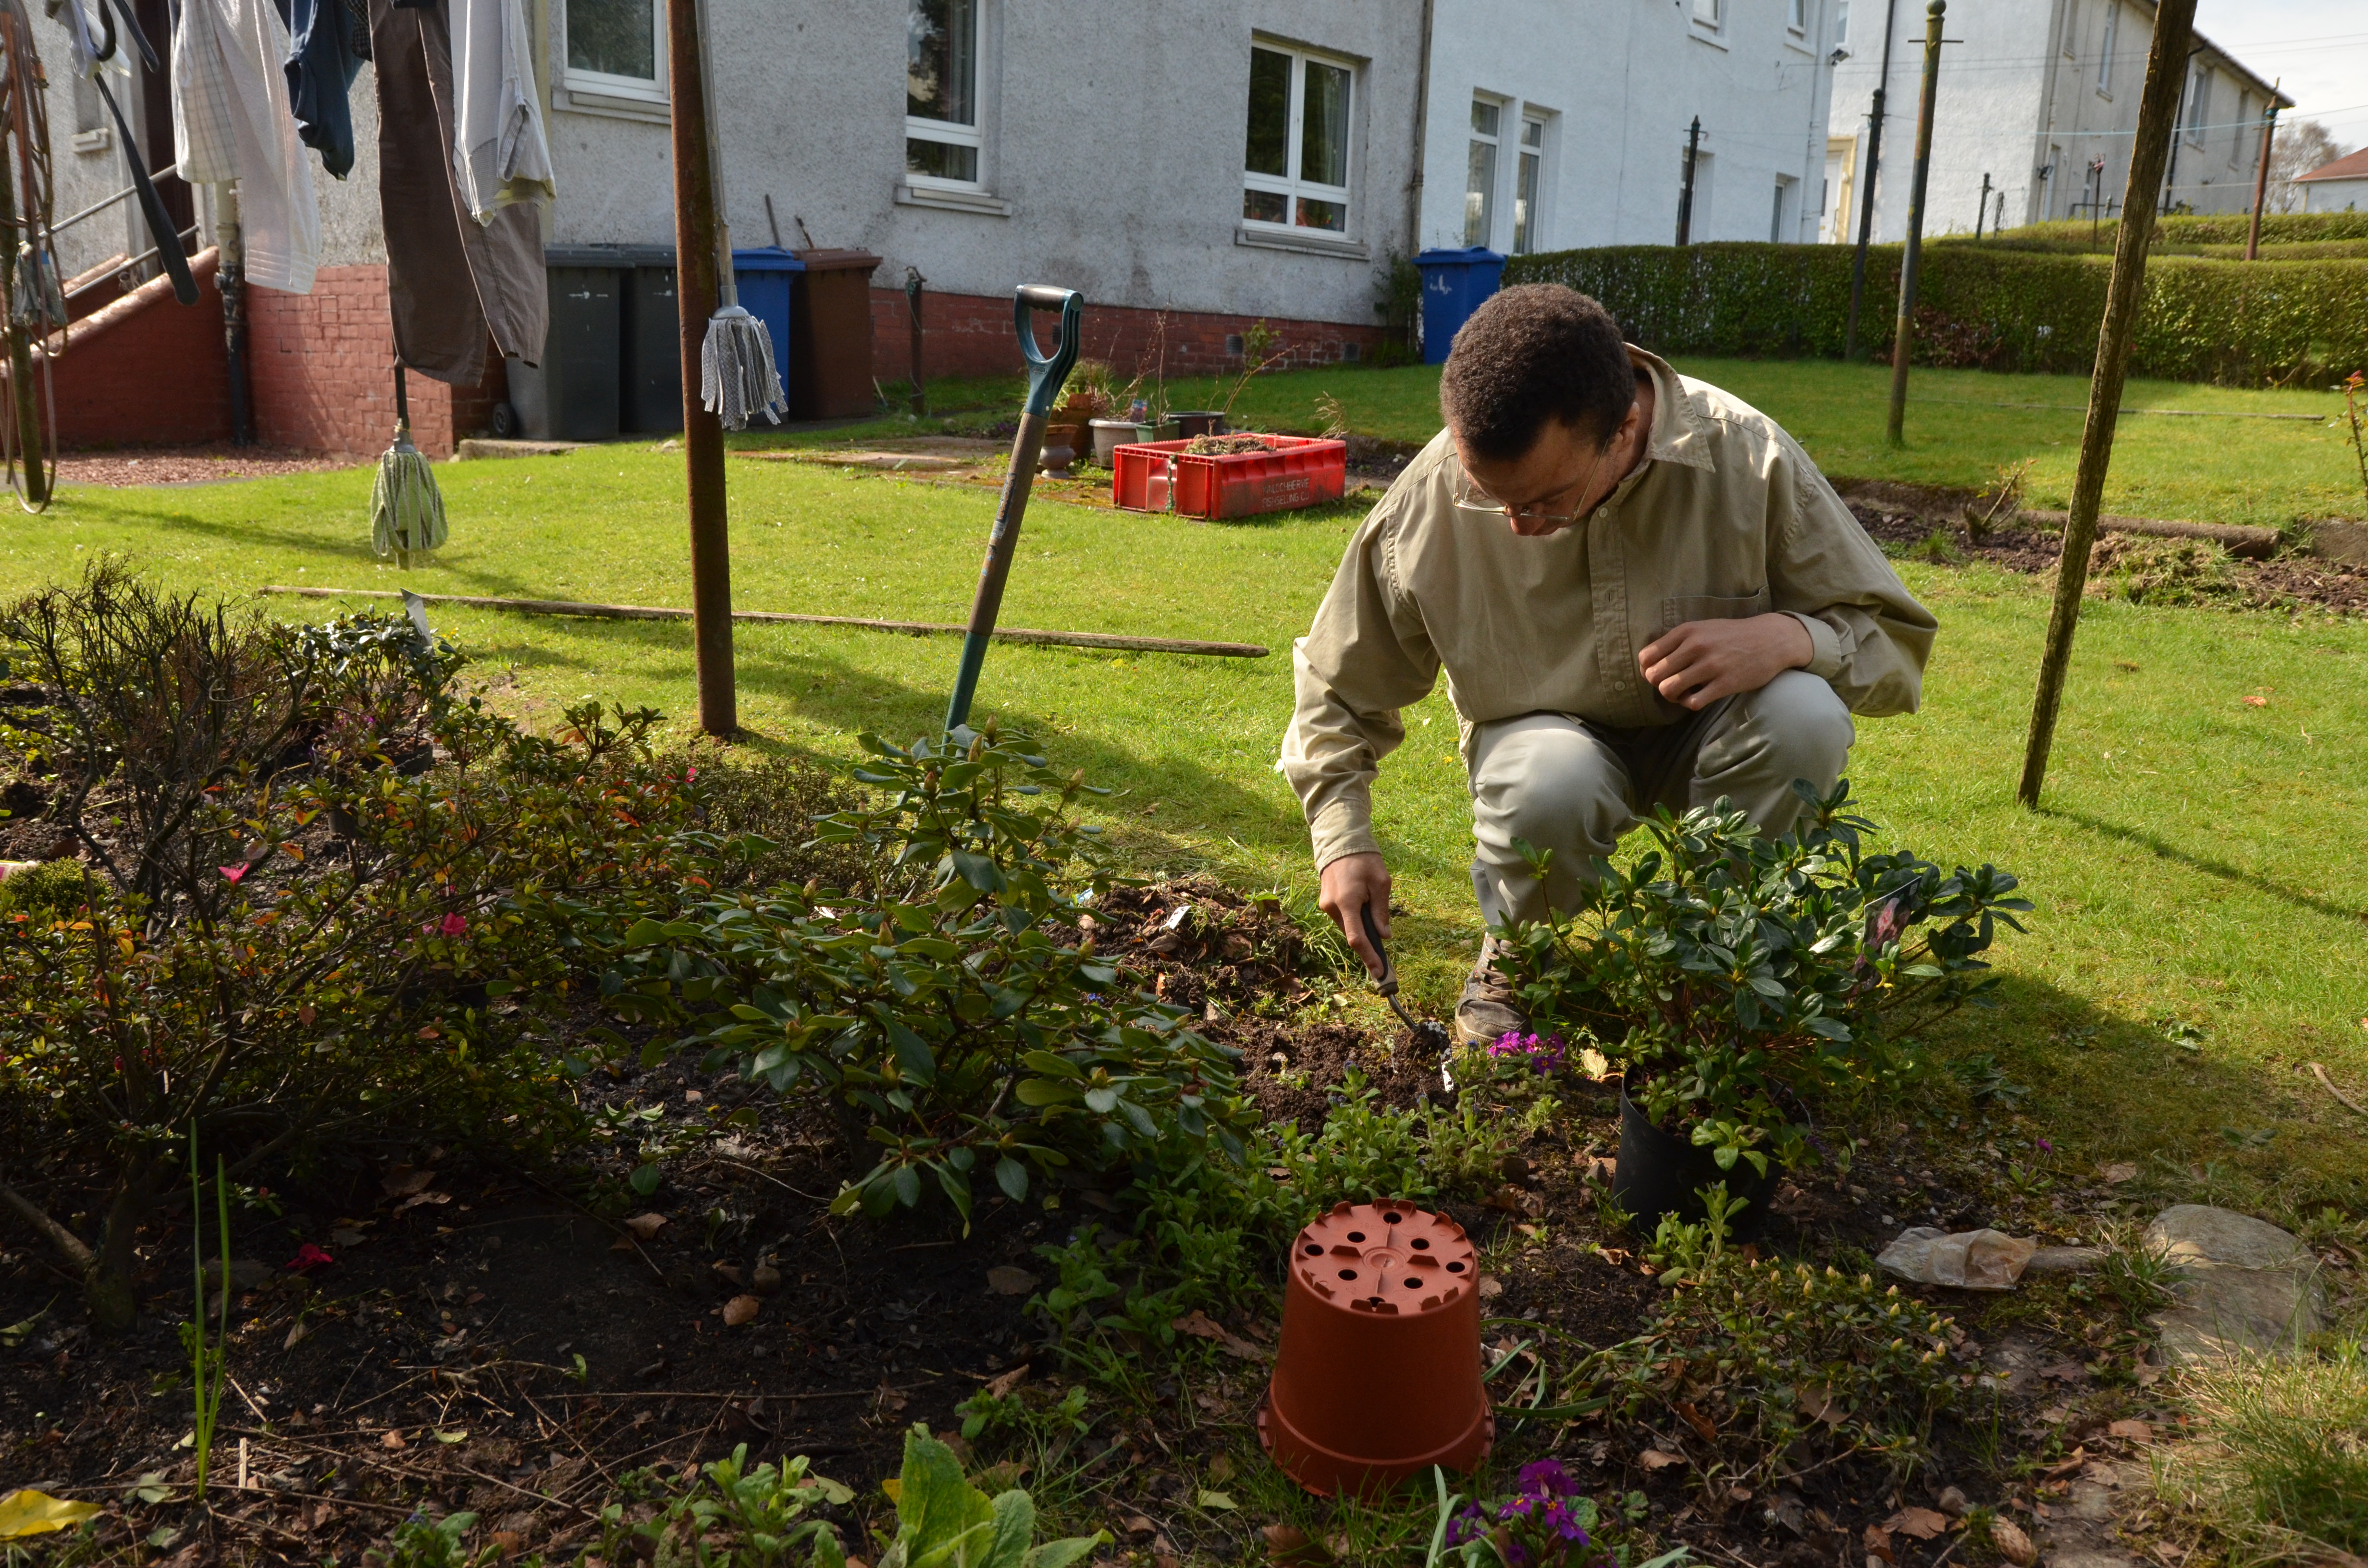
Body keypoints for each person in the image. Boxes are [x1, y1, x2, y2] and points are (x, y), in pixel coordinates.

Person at [1283, 284, 1936, 1046]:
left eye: (1546, 501)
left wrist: (1793, 637)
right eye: (1495, 501)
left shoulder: (1746, 460)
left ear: (1626, 426)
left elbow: (1895, 645)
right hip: (1544, 747)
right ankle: (1525, 956)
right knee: (1548, 782)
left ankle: (1721, 959)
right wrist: (1344, 839)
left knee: (1805, 717)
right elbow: (1336, 682)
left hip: (1716, 740)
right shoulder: (1433, 496)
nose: (1521, 527)